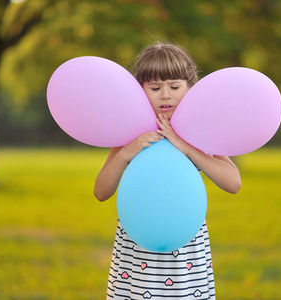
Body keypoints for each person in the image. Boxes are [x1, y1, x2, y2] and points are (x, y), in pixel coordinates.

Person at [94, 43, 241, 299]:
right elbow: (101, 191)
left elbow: (233, 183)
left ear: (190, 88)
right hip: (138, 248)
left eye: (174, 87)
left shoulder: (198, 130)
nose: (165, 95)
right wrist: (126, 153)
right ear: (139, 91)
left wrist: (186, 147)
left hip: (185, 250)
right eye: (154, 88)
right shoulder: (130, 132)